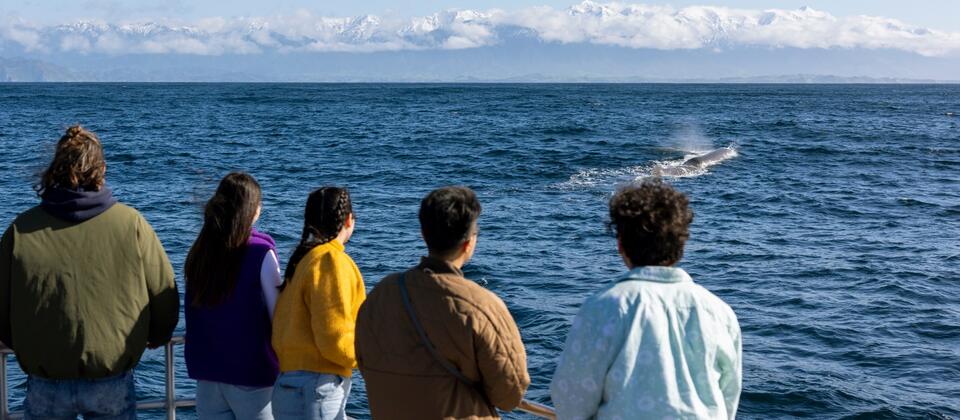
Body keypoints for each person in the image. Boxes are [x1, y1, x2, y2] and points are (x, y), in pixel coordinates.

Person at [0, 125, 179, 419]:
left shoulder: (21, 229)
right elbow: (164, 295)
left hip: (46, 379)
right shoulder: (132, 224)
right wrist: (158, 335)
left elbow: (2, 304)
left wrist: (23, 342)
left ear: (55, 169)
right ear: (102, 169)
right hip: (111, 377)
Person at [550, 179, 742, 419]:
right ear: (681, 244)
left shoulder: (604, 307)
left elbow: (571, 397)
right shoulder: (719, 312)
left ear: (621, 245)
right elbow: (728, 395)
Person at [356, 186, 530, 419]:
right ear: (469, 243)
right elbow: (509, 395)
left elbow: (365, 362)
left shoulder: (382, 294)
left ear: (423, 234)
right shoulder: (481, 305)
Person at [184, 172, 282, 420]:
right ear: (252, 209)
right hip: (252, 377)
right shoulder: (261, 252)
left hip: (208, 375)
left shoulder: (201, 250)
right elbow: (278, 315)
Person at [271, 187, 364, 420]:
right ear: (349, 219)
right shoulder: (331, 261)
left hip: (286, 383)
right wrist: (366, 356)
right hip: (319, 385)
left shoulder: (302, 261)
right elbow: (335, 337)